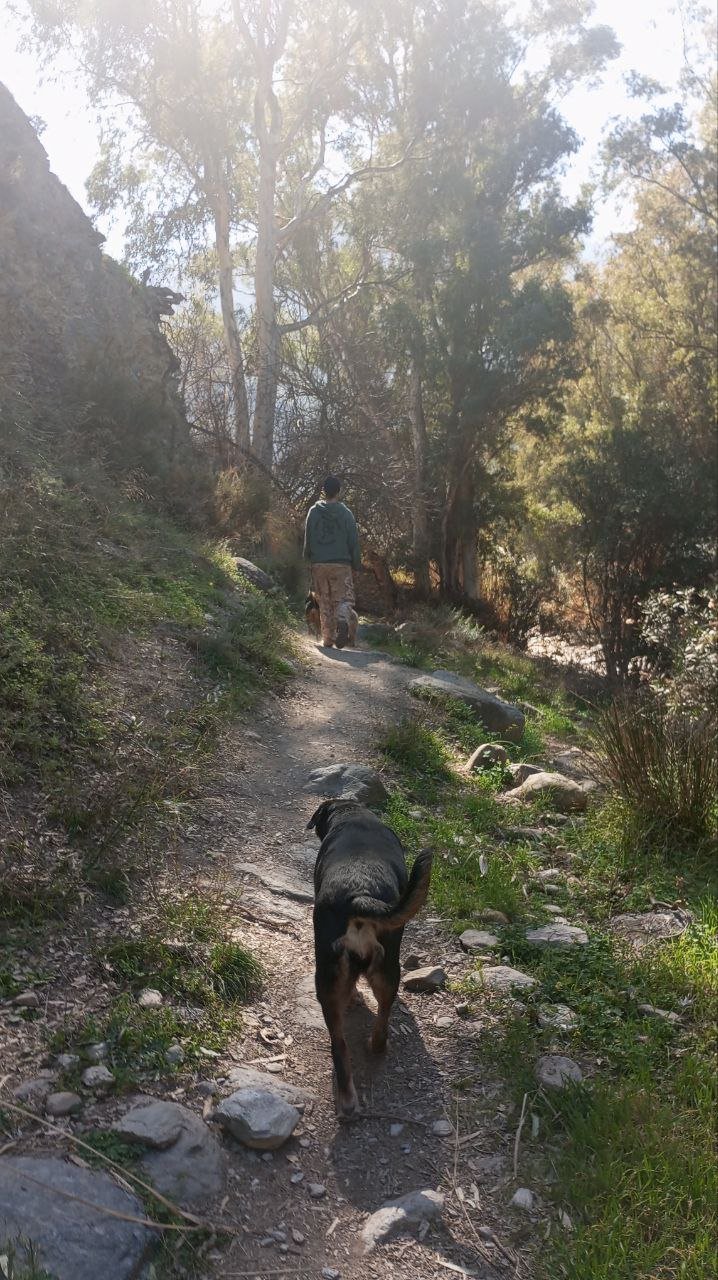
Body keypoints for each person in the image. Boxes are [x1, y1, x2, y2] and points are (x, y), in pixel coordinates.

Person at [303, 475, 360, 648]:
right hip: (341, 564)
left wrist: (308, 558)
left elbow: (309, 537)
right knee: (344, 599)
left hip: (319, 563)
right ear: (339, 491)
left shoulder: (313, 511)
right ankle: (342, 616)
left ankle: (328, 639)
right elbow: (353, 541)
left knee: (324, 600)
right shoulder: (346, 514)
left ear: (323, 491)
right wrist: (356, 563)